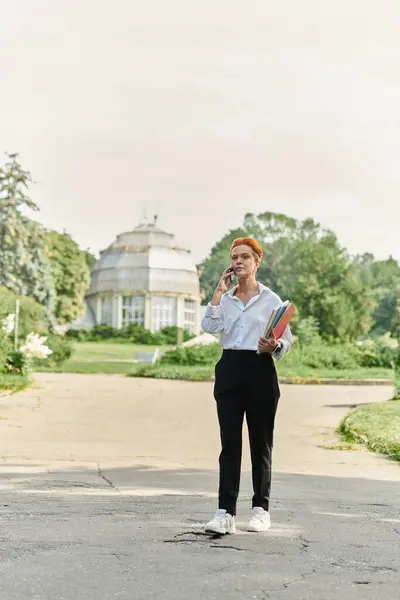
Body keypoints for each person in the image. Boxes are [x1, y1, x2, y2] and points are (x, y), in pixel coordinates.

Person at [201, 237, 294, 534]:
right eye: (234, 257)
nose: (238, 262)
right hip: (229, 369)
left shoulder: (271, 300)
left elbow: (286, 340)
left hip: (260, 370)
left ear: (257, 262)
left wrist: (274, 345)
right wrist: (217, 293)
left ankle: (260, 510)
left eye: (245, 257)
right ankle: (224, 513)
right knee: (230, 445)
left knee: (260, 444)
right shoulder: (225, 299)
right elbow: (210, 327)